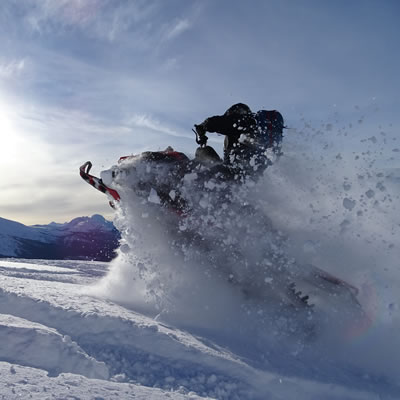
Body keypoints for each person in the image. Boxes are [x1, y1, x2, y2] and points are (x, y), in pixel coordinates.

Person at [194, 103, 285, 178]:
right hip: (246, 175)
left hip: (239, 175)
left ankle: (188, 187)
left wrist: (203, 126)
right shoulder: (252, 128)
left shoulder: (244, 122)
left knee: (204, 176)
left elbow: (217, 123)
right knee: (205, 152)